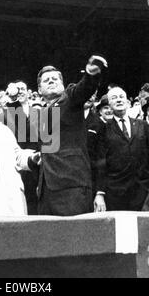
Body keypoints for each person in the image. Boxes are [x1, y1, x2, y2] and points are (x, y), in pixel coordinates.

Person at [35, 55, 108, 216]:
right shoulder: (40, 114)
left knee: (74, 238)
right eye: (46, 80)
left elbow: (85, 87)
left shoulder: (70, 98)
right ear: (39, 90)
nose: (51, 81)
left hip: (71, 186)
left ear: (62, 85)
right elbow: (21, 135)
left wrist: (92, 72)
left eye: (55, 79)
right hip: (46, 190)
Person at [93, 87, 149, 212]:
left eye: (121, 97)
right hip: (115, 193)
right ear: (109, 104)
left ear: (127, 102)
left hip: (141, 190)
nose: (119, 100)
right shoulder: (103, 129)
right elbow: (101, 162)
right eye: (114, 98)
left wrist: (148, 184)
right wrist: (100, 192)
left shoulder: (142, 125)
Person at [0, 80, 40, 214]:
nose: (20, 91)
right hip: (16, 168)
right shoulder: (2, 116)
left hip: (36, 165)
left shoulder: (39, 112)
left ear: (28, 92)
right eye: (17, 89)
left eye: (22, 88)